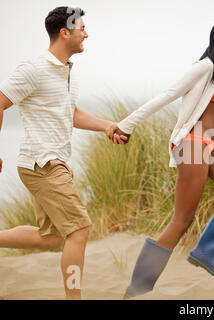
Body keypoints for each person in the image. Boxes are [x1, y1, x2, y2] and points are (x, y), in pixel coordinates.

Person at [108, 20, 214, 299]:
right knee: (182, 220)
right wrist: (127, 124)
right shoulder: (204, 67)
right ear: (212, 41)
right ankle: (137, 289)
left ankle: (205, 251)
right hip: (192, 145)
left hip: (211, 148)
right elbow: (168, 94)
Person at [0, 6, 124, 300]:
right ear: (64, 33)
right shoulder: (33, 69)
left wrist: (107, 126)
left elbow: (71, 113)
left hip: (57, 163)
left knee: (52, 238)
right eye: (82, 28)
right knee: (80, 229)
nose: (86, 33)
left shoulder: (68, 72)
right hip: (42, 163)